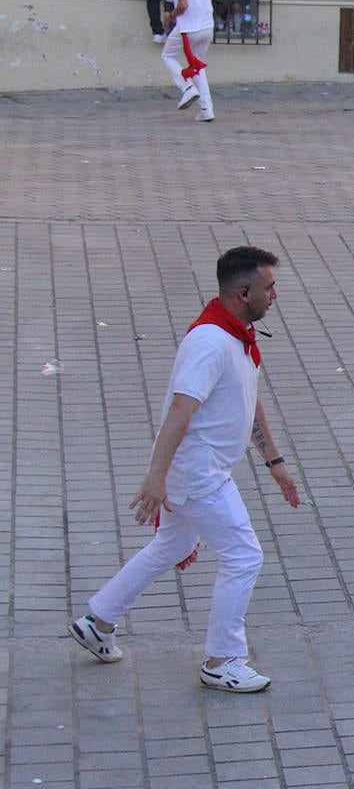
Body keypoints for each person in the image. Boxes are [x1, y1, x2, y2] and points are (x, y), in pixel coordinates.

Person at [69, 246, 300, 691]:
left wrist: (274, 462)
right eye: (270, 288)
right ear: (244, 291)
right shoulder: (211, 341)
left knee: (171, 546)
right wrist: (156, 478)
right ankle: (222, 660)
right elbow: (180, 409)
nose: (275, 295)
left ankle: (98, 621)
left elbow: (247, 401)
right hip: (199, 475)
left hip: (196, 471)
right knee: (244, 555)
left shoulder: (239, 335)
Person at [161, 0, 217, 122]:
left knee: (168, 55)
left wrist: (171, 15)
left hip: (188, 26)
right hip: (207, 24)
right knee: (198, 66)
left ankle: (187, 87)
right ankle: (206, 109)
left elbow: (183, 4)